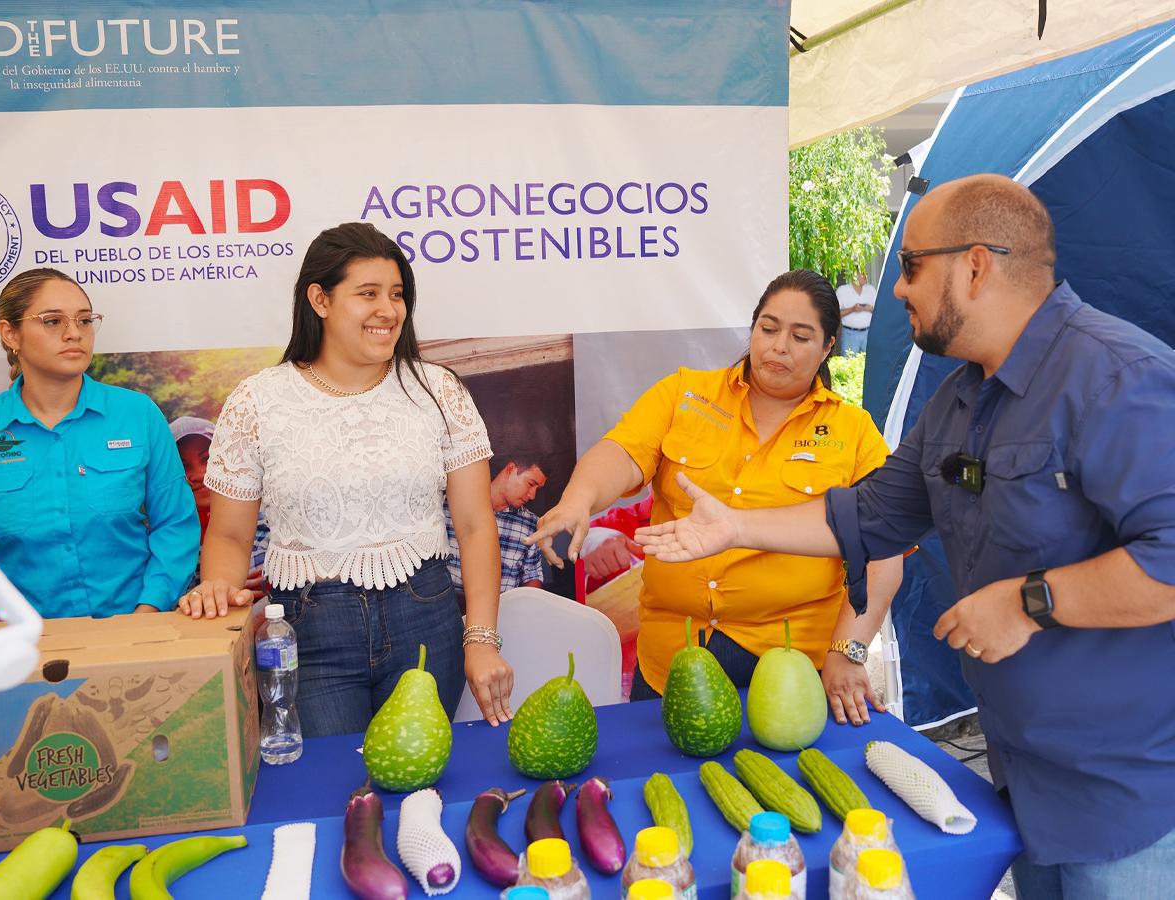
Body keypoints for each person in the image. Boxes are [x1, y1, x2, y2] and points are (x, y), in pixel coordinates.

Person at [635, 175, 1175, 898]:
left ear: (975, 266)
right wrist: (733, 526)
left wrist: (1030, 600)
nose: (895, 290)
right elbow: (868, 515)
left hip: (1124, 794)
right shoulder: (959, 402)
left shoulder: (1117, 377)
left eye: (912, 266)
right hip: (1020, 778)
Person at [176, 223, 513, 733]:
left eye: (398, 294)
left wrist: (481, 639)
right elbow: (228, 534)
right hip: (309, 629)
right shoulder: (258, 401)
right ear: (320, 299)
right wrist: (219, 591)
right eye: (368, 293)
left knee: (415, 774)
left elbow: (473, 524)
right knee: (334, 788)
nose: (389, 310)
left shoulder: (438, 390)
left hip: (425, 616)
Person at [529, 270, 903, 725]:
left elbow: (886, 550)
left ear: (828, 347)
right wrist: (578, 500)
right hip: (672, 659)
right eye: (768, 328)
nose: (778, 346)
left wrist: (850, 649)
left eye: (800, 336)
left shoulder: (853, 431)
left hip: (792, 666)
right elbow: (623, 451)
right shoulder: (685, 394)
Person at [0, 268, 198, 623]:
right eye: (52, 321)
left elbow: (175, 524)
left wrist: (149, 609)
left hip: (134, 633)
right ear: (10, 333)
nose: (74, 333)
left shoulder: (137, 414)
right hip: (16, 646)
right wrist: (0, 622)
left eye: (84, 320)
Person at [169, 416, 270, 599]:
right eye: (183, 466)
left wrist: (279, 587)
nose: (198, 474)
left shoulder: (274, 527)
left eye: (207, 459)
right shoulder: (162, 545)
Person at [445, 457, 546, 602]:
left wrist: (525, 610)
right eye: (531, 484)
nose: (532, 495)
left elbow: (533, 576)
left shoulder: (530, 524)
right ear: (511, 469)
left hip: (503, 611)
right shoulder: (451, 506)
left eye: (537, 489)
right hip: (449, 609)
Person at [836, 269, 876, 355]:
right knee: (849, 364)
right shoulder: (842, 290)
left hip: (868, 333)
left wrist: (870, 309)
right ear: (853, 275)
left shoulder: (871, 290)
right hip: (849, 334)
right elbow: (835, 314)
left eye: (865, 273)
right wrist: (852, 309)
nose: (865, 276)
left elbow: (880, 311)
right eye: (862, 273)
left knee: (869, 362)